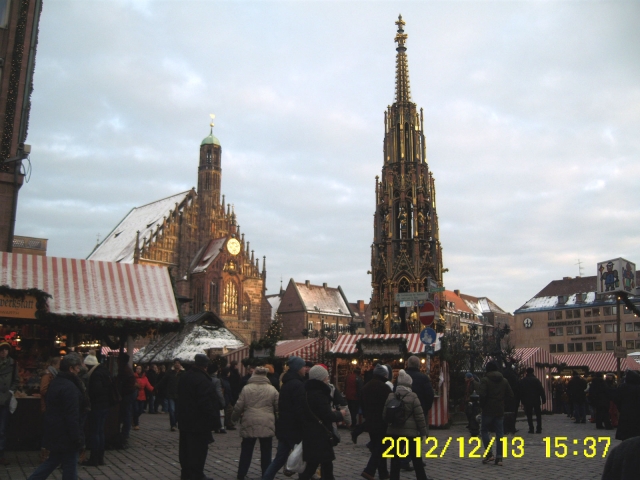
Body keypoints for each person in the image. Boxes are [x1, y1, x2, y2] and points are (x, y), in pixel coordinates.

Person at [26, 354, 87, 480]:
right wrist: (77, 437)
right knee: (69, 464)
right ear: (71, 368)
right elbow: (72, 415)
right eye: (77, 367)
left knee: (54, 461)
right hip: (66, 433)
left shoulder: (56, 382)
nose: (78, 370)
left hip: (56, 430)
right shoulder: (70, 387)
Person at [262, 356, 306, 480]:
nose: (305, 369)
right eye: (303, 366)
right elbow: (299, 408)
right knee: (300, 457)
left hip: (284, 426)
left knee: (280, 458)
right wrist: (303, 424)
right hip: (294, 428)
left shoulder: (287, 383)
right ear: (298, 368)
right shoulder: (297, 385)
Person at [298, 365, 345, 480]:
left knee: (319, 465)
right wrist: (340, 414)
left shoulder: (306, 392)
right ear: (321, 378)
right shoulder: (320, 394)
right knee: (317, 467)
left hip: (311, 433)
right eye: (326, 377)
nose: (327, 379)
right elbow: (327, 415)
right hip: (320, 435)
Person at [232, 366, 279, 480]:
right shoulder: (272, 389)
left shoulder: (246, 388)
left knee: (246, 450)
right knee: (266, 450)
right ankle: (266, 474)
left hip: (249, 420)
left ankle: (241, 473)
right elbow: (278, 407)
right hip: (267, 421)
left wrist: (234, 418)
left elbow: (239, 406)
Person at [177, 354, 217, 480]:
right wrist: (212, 417)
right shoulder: (203, 380)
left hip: (184, 419)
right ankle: (197, 474)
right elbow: (205, 402)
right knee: (198, 450)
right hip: (199, 422)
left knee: (185, 449)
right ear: (205, 366)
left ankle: (186, 473)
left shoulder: (185, 376)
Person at [385, 370, 428, 480]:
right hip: (411, 434)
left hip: (394, 432)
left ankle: (394, 478)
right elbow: (419, 417)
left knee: (395, 459)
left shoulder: (391, 396)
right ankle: (421, 477)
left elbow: (384, 415)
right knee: (416, 458)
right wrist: (423, 433)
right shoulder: (413, 397)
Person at [475, 361, 514, 467]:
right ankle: (499, 457)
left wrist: (482, 405)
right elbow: (510, 395)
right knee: (500, 433)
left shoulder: (485, 380)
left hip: (487, 410)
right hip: (499, 410)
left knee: (484, 430)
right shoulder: (504, 380)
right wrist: (502, 403)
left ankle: (489, 454)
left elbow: (482, 395)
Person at [400, 356, 434, 472]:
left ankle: (412, 459)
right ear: (419, 365)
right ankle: (408, 459)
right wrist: (425, 408)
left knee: (405, 435)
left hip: (403, 410)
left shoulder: (402, 377)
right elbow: (429, 395)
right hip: (419, 410)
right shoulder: (423, 378)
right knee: (418, 436)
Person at [360, 363, 392, 480]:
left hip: (370, 421)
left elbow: (362, 405)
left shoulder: (366, 387)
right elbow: (388, 405)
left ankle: (383, 472)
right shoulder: (385, 388)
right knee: (381, 447)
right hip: (381, 422)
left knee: (377, 445)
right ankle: (369, 470)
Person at [83, 352, 112, 466]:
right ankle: (100, 457)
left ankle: (94, 458)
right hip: (104, 405)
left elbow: (96, 391)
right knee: (100, 432)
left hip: (97, 406)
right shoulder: (104, 371)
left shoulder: (95, 374)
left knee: (95, 432)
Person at [0, 341, 18, 465]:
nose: (4, 352)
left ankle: (1, 454)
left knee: (2, 429)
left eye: (6, 350)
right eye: (2, 350)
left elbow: (16, 380)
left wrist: (11, 391)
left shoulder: (13, 364)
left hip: (4, 399)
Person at [612, 370, 640, 441]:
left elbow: (616, 398)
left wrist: (620, 407)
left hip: (626, 412)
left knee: (626, 434)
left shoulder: (623, 387)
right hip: (637, 413)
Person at [156, 359, 182, 431]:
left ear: (180, 364)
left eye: (178, 363)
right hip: (171, 394)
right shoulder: (170, 373)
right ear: (174, 364)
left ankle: (175, 422)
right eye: (176, 363)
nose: (177, 364)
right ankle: (173, 425)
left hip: (179, 395)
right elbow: (163, 380)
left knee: (177, 411)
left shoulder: (183, 373)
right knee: (172, 410)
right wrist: (156, 387)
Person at [518, 367, 546, 434]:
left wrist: (521, 400)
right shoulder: (536, 380)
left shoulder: (523, 381)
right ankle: (539, 428)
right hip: (536, 399)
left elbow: (520, 391)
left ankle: (531, 428)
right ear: (533, 372)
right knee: (538, 415)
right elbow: (541, 390)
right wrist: (543, 399)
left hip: (527, 400)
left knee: (529, 415)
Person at [117, 353, 136, 447]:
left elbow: (121, 382)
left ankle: (125, 433)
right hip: (129, 393)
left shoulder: (125, 370)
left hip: (128, 393)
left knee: (126, 413)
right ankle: (125, 432)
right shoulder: (127, 369)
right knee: (126, 413)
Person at [133, 365, 154, 430]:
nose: (138, 370)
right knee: (136, 410)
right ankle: (136, 424)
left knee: (140, 410)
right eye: (137, 368)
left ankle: (134, 419)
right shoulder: (133, 377)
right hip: (135, 395)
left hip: (142, 395)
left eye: (139, 369)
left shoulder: (144, 377)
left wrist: (153, 389)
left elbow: (148, 385)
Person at [207, 363, 225, 434]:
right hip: (214, 400)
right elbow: (219, 393)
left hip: (207, 399)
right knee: (216, 414)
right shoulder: (217, 380)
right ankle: (217, 427)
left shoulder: (206, 378)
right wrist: (223, 402)